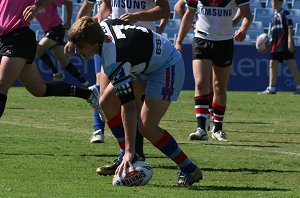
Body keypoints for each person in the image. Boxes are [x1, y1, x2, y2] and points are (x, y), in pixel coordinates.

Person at [68, 16, 202, 186]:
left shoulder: (113, 58)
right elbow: (123, 26)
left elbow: (129, 106)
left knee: (147, 127)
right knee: (106, 103)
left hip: (166, 67)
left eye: (80, 46)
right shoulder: (102, 26)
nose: (77, 51)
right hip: (146, 65)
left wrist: (130, 150)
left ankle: (189, 169)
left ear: (94, 42)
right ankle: (127, 155)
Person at [69, 0, 170, 175]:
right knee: (106, 101)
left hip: (140, 49)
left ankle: (133, 155)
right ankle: (127, 153)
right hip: (110, 42)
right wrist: (84, 36)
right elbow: (106, 6)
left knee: (131, 103)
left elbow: (164, 10)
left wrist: (138, 16)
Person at [0, 0, 101, 120]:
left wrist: (37, 6)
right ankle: (88, 93)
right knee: (38, 89)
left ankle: (62, 74)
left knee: (2, 85)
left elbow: (67, 2)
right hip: (4, 38)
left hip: (19, 37)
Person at [175, 0, 253, 141]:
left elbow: (248, 13)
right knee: (200, 83)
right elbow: (188, 13)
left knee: (219, 86)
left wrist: (242, 28)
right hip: (201, 39)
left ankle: (218, 128)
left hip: (224, 42)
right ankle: (201, 128)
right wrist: (179, 40)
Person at [35, 0, 90, 87]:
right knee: (63, 61)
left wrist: (68, 21)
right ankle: (84, 82)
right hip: (48, 31)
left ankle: (56, 73)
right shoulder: (30, 2)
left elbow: (68, 3)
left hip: (56, 29)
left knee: (38, 49)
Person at [260, 0, 300, 95]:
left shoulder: (284, 13)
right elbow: (272, 35)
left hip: (284, 43)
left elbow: (290, 27)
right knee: (272, 63)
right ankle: (271, 88)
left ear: (281, 3)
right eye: (273, 2)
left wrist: (290, 41)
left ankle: (299, 86)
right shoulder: (273, 17)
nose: (274, 3)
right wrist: (268, 45)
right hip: (275, 45)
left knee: (290, 63)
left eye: (276, 1)